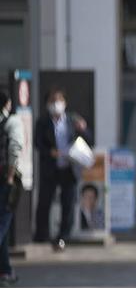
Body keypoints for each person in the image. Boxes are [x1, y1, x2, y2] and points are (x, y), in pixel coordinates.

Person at [34, 88, 93, 251]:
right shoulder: (43, 122)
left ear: (65, 103)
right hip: (51, 168)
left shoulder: (72, 120)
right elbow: (38, 143)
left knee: (68, 203)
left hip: (69, 167)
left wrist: (83, 128)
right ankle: (41, 235)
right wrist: (50, 152)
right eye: (52, 101)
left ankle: (63, 237)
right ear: (47, 104)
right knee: (44, 202)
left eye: (59, 100)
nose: (56, 104)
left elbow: (89, 138)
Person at [0, 91, 24, 286]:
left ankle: (5, 270)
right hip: (4, 180)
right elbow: (15, 149)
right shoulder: (11, 122)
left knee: (4, 228)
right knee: (3, 221)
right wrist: (9, 177)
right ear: (7, 103)